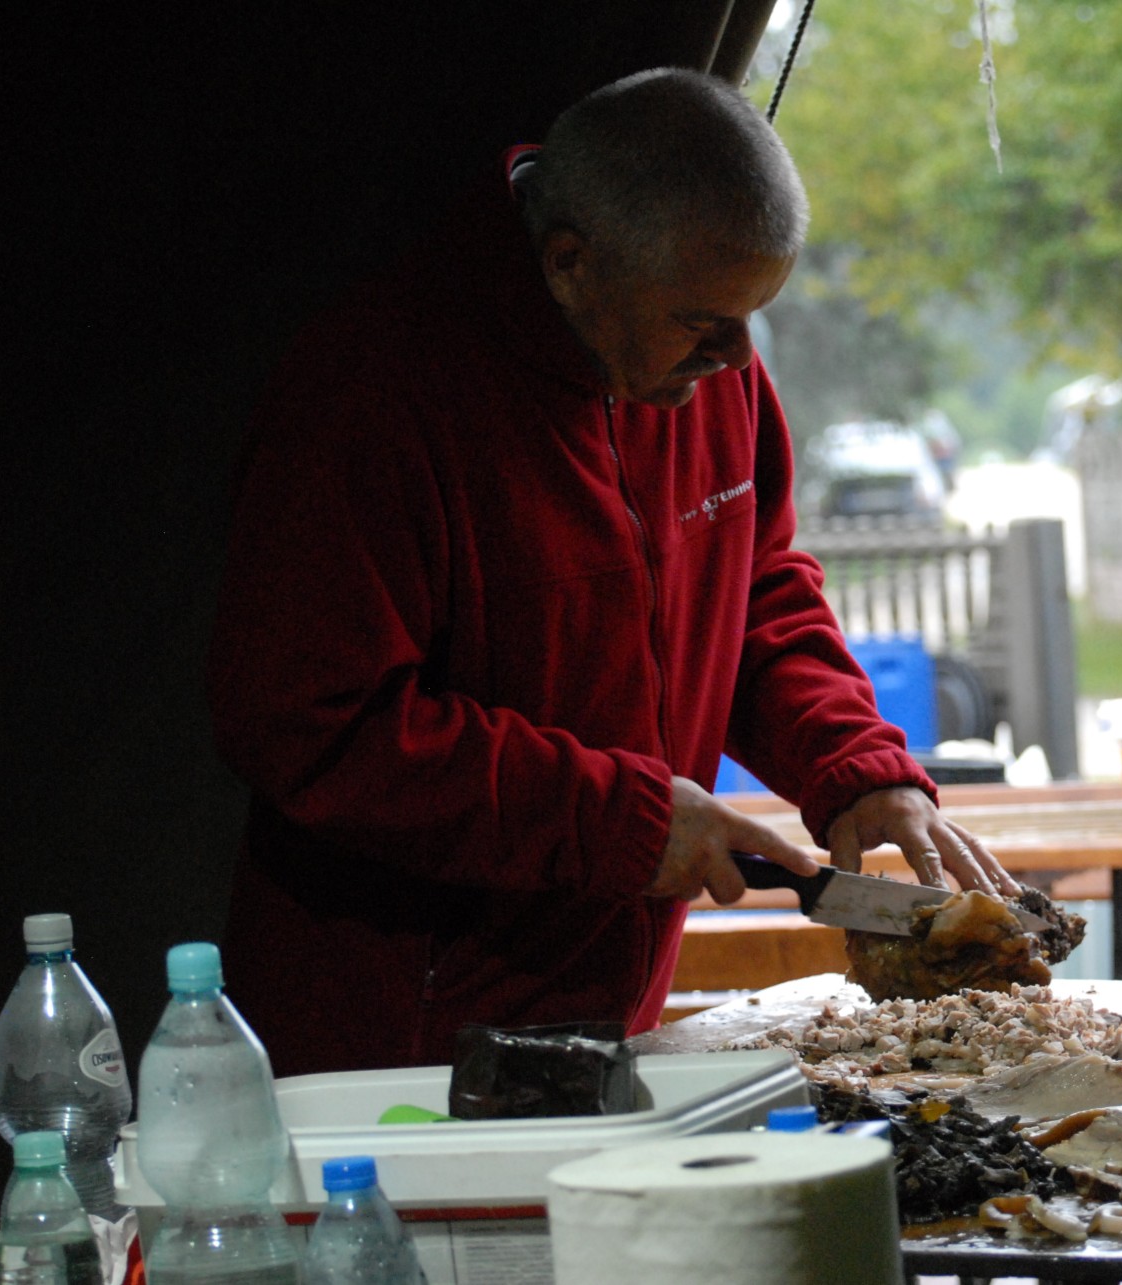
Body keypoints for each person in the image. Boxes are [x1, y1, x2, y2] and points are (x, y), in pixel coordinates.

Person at [205, 69, 1018, 1077]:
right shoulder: (373, 394)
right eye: (704, 321)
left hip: (604, 1012)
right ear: (570, 263)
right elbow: (309, 723)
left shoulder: (707, 374)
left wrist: (853, 764)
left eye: (754, 317)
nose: (738, 358)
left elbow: (754, 599)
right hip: (394, 1044)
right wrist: (614, 821)